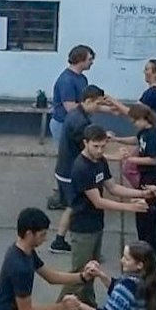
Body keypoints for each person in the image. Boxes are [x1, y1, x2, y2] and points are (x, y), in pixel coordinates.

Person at [52, 125, 156, 310]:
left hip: (95, 225)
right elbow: (98, 201)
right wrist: (131, 208)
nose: (100, 150)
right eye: (96, 146)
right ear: (85, 143)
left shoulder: (99, 161)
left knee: (90, 268)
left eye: (103, 146)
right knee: (77, 274)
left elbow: (112, 187)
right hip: (83, 227)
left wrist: (142, 193)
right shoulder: (81, 168)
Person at [49, 85, 112, 254]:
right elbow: (88, 151)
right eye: (98, 104)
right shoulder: (80, 122)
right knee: (74, 207)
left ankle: (59, 240)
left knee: (71, 206)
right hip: (70, 171)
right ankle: (60, 240)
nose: (99, 108)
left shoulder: (77, 113)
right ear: (88, 101)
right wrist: (113, 156)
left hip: (64, 169)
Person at [121, 104, 156, 264]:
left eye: (135, 121)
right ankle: (143, 248)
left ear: (144, 119)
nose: (134, 124)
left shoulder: (155, 135)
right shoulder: (145, 132)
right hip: (145, 177)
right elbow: (136, 139)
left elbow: (153, 159)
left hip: (155, 178)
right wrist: (116, 139)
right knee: (141, 214)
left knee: (153, 218)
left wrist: (130, 159)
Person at [47, 45, 96, 207]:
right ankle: (61, 194)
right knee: (67, 159)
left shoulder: (81, 78)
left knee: (76, 159)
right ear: (80, 59)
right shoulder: (67, 80)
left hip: (77, 123)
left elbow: (85, 101)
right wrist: (97, 106)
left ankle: (73, 189)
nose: (92, 62)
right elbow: (70, 107)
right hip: (64, 124)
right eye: (89, 59)